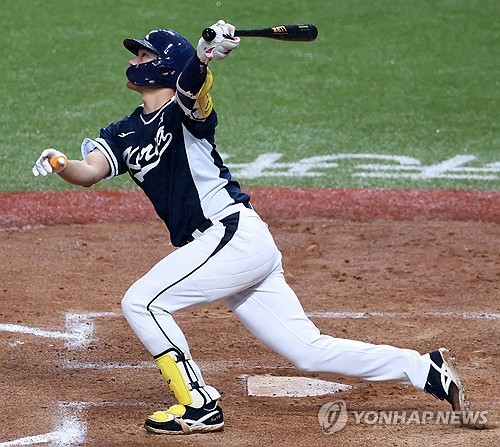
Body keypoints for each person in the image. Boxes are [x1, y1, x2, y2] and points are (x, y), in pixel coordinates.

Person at [32, 20, 469, 435]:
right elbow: (88, 171)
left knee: (142, 302)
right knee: (306, 349)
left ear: (162, 64)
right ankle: (423, 368)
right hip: (234, 247)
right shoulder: (126, 131)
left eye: (142, 54)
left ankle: (199, 404)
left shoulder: (186, 115)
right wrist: (59, 162)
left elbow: (194, 94)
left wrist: (203, 59)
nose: (132, 61)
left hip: (231, 235)